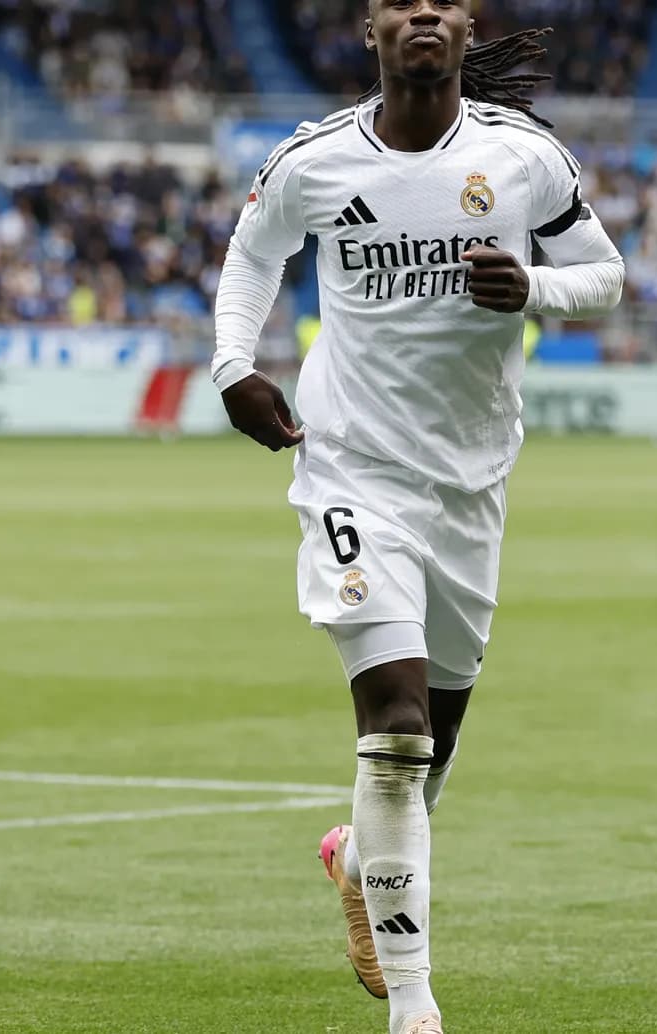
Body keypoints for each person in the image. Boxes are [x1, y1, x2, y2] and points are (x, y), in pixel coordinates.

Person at [210, 4, 624, 1032]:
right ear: (372, 27)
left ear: (466, 19)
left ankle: (356, 858)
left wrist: (532, 287)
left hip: (470, 482)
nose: (424, 11)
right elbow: (251, 253)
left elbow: (608, 277)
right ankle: (414, 1006)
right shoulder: (312, 160)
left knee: (426, 754)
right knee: (391, 730)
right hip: (350, 467)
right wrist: (232, 366)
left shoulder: (521, 157)